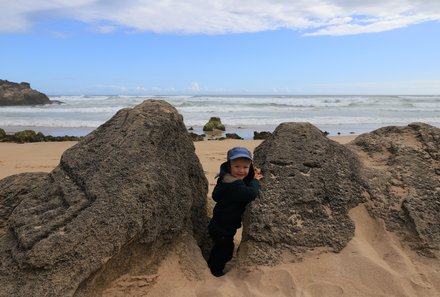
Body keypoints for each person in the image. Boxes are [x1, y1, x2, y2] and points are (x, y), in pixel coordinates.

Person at [207, 146, 263, 277]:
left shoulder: (224, 178)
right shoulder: (235, 185)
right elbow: (251, 193)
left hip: (218, 223)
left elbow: (216, 195)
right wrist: (255, 180)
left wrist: (250, 174)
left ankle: (214, 264)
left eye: (245, 167)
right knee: (225, 250)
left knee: (220, 247)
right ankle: (215, 271)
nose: (241, 170)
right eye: (237, 166)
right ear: (229, 166)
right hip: (224, 227)